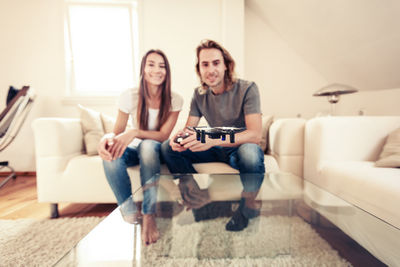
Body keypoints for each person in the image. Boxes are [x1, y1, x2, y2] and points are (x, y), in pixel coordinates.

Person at [161, 39, 265, 231]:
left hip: (240, 147)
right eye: (205, 64)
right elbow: (189, 129)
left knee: (250, 153)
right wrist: (179, 139)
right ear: (199, 69)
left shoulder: (248, 88)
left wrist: (211, 140)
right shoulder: (199, 94)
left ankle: (246, 206)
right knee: (167, 147)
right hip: (216, 146)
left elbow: (255, 135)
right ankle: (194, 195)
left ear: (226, 65)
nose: (211, 70)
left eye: (216, 63)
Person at [98, 49, 183, 245]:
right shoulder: (129, 96)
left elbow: (163, 135)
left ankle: (149, 213)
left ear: (167, 71)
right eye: (151, 64)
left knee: (147, 146)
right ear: (143, 69)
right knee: (111, 154)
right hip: (135, 149)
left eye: (162, 66)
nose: (157, 70)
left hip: (154, 151)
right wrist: (107, 139)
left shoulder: (175, 99)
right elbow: (117, 131)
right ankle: (128, 210)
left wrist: (135, 131)